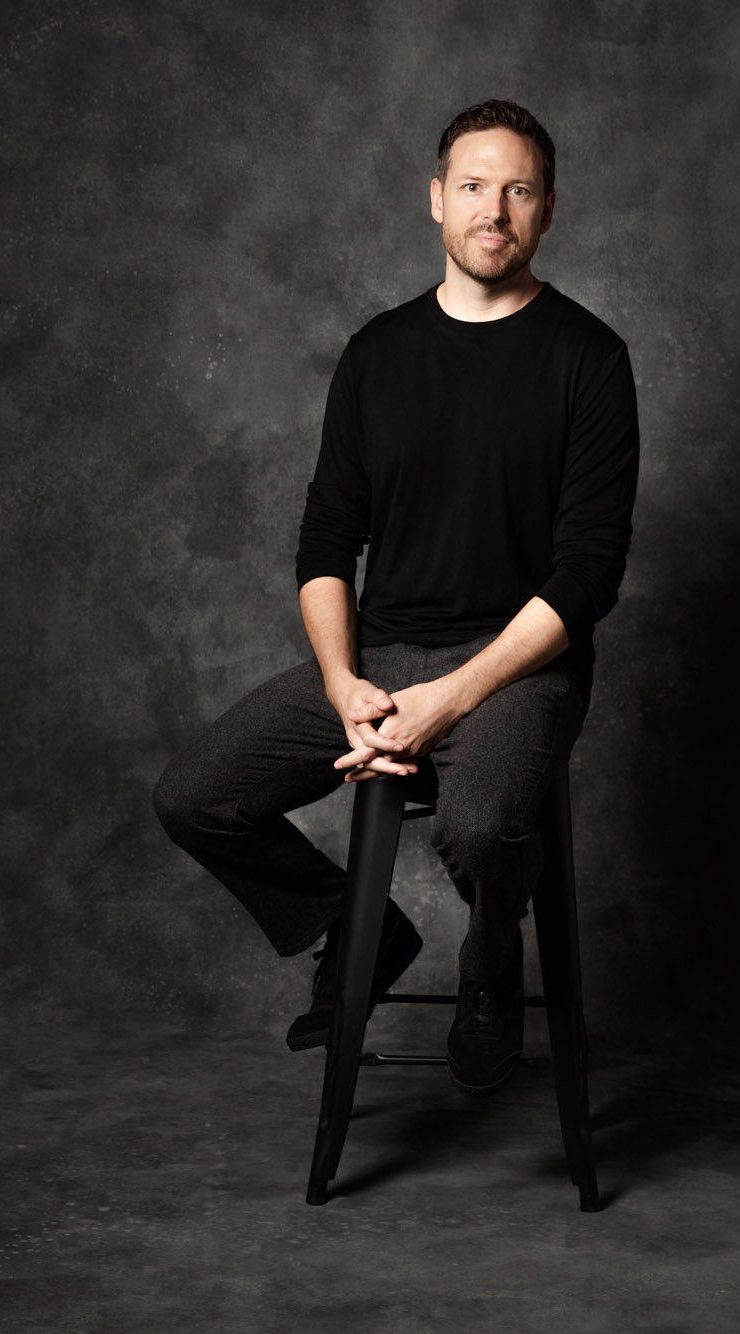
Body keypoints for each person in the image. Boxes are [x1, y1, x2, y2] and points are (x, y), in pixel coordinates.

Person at [154, 98, 640, 1095]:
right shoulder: (377, 354)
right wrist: (341, 683)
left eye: (516, 189)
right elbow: (329, 537)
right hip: (379, 656)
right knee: (196, 794)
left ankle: (492, 953)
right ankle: (358, 934)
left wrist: (449, 698)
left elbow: (585, 574)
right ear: (434, 200)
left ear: (547, 209)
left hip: (518, 668)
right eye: (472, 186)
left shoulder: (588, 358)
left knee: (475, 823)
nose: (492, 209)